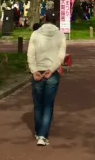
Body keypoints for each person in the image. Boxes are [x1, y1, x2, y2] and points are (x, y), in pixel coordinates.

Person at [27, 10, 66, 146]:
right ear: (56, 21)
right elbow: (61, 56)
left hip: (38, 71)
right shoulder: (61, 35)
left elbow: (30, 54)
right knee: (48, 105)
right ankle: (43, 135)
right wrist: (52, 69)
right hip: (52, 73)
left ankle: (38, 132)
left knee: (38, 104)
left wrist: (34, 70)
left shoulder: (35, 34)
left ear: (44, 19)